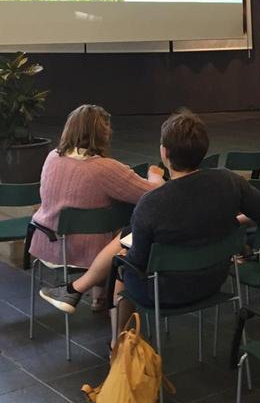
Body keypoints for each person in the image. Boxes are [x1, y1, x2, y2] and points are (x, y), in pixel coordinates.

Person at [38, 110, 260, 316]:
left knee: (123, 260)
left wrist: (155, 180)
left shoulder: (152, 204)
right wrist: (235, 221)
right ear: (204, 148)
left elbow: (137, 262)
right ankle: (80, 292)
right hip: (215, 280)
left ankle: (118, 347)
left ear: (164, 153)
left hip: (161, 290)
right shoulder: (230, 181)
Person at [29, 105, 163, 308]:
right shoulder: (104, 168)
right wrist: (156, 175)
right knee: (129, 231)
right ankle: (110, 303)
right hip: (85, 250)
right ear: (104, 134)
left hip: (47, 241)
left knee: (105, 218)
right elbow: (153, 194)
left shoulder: (52, 158)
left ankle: (99, 296)